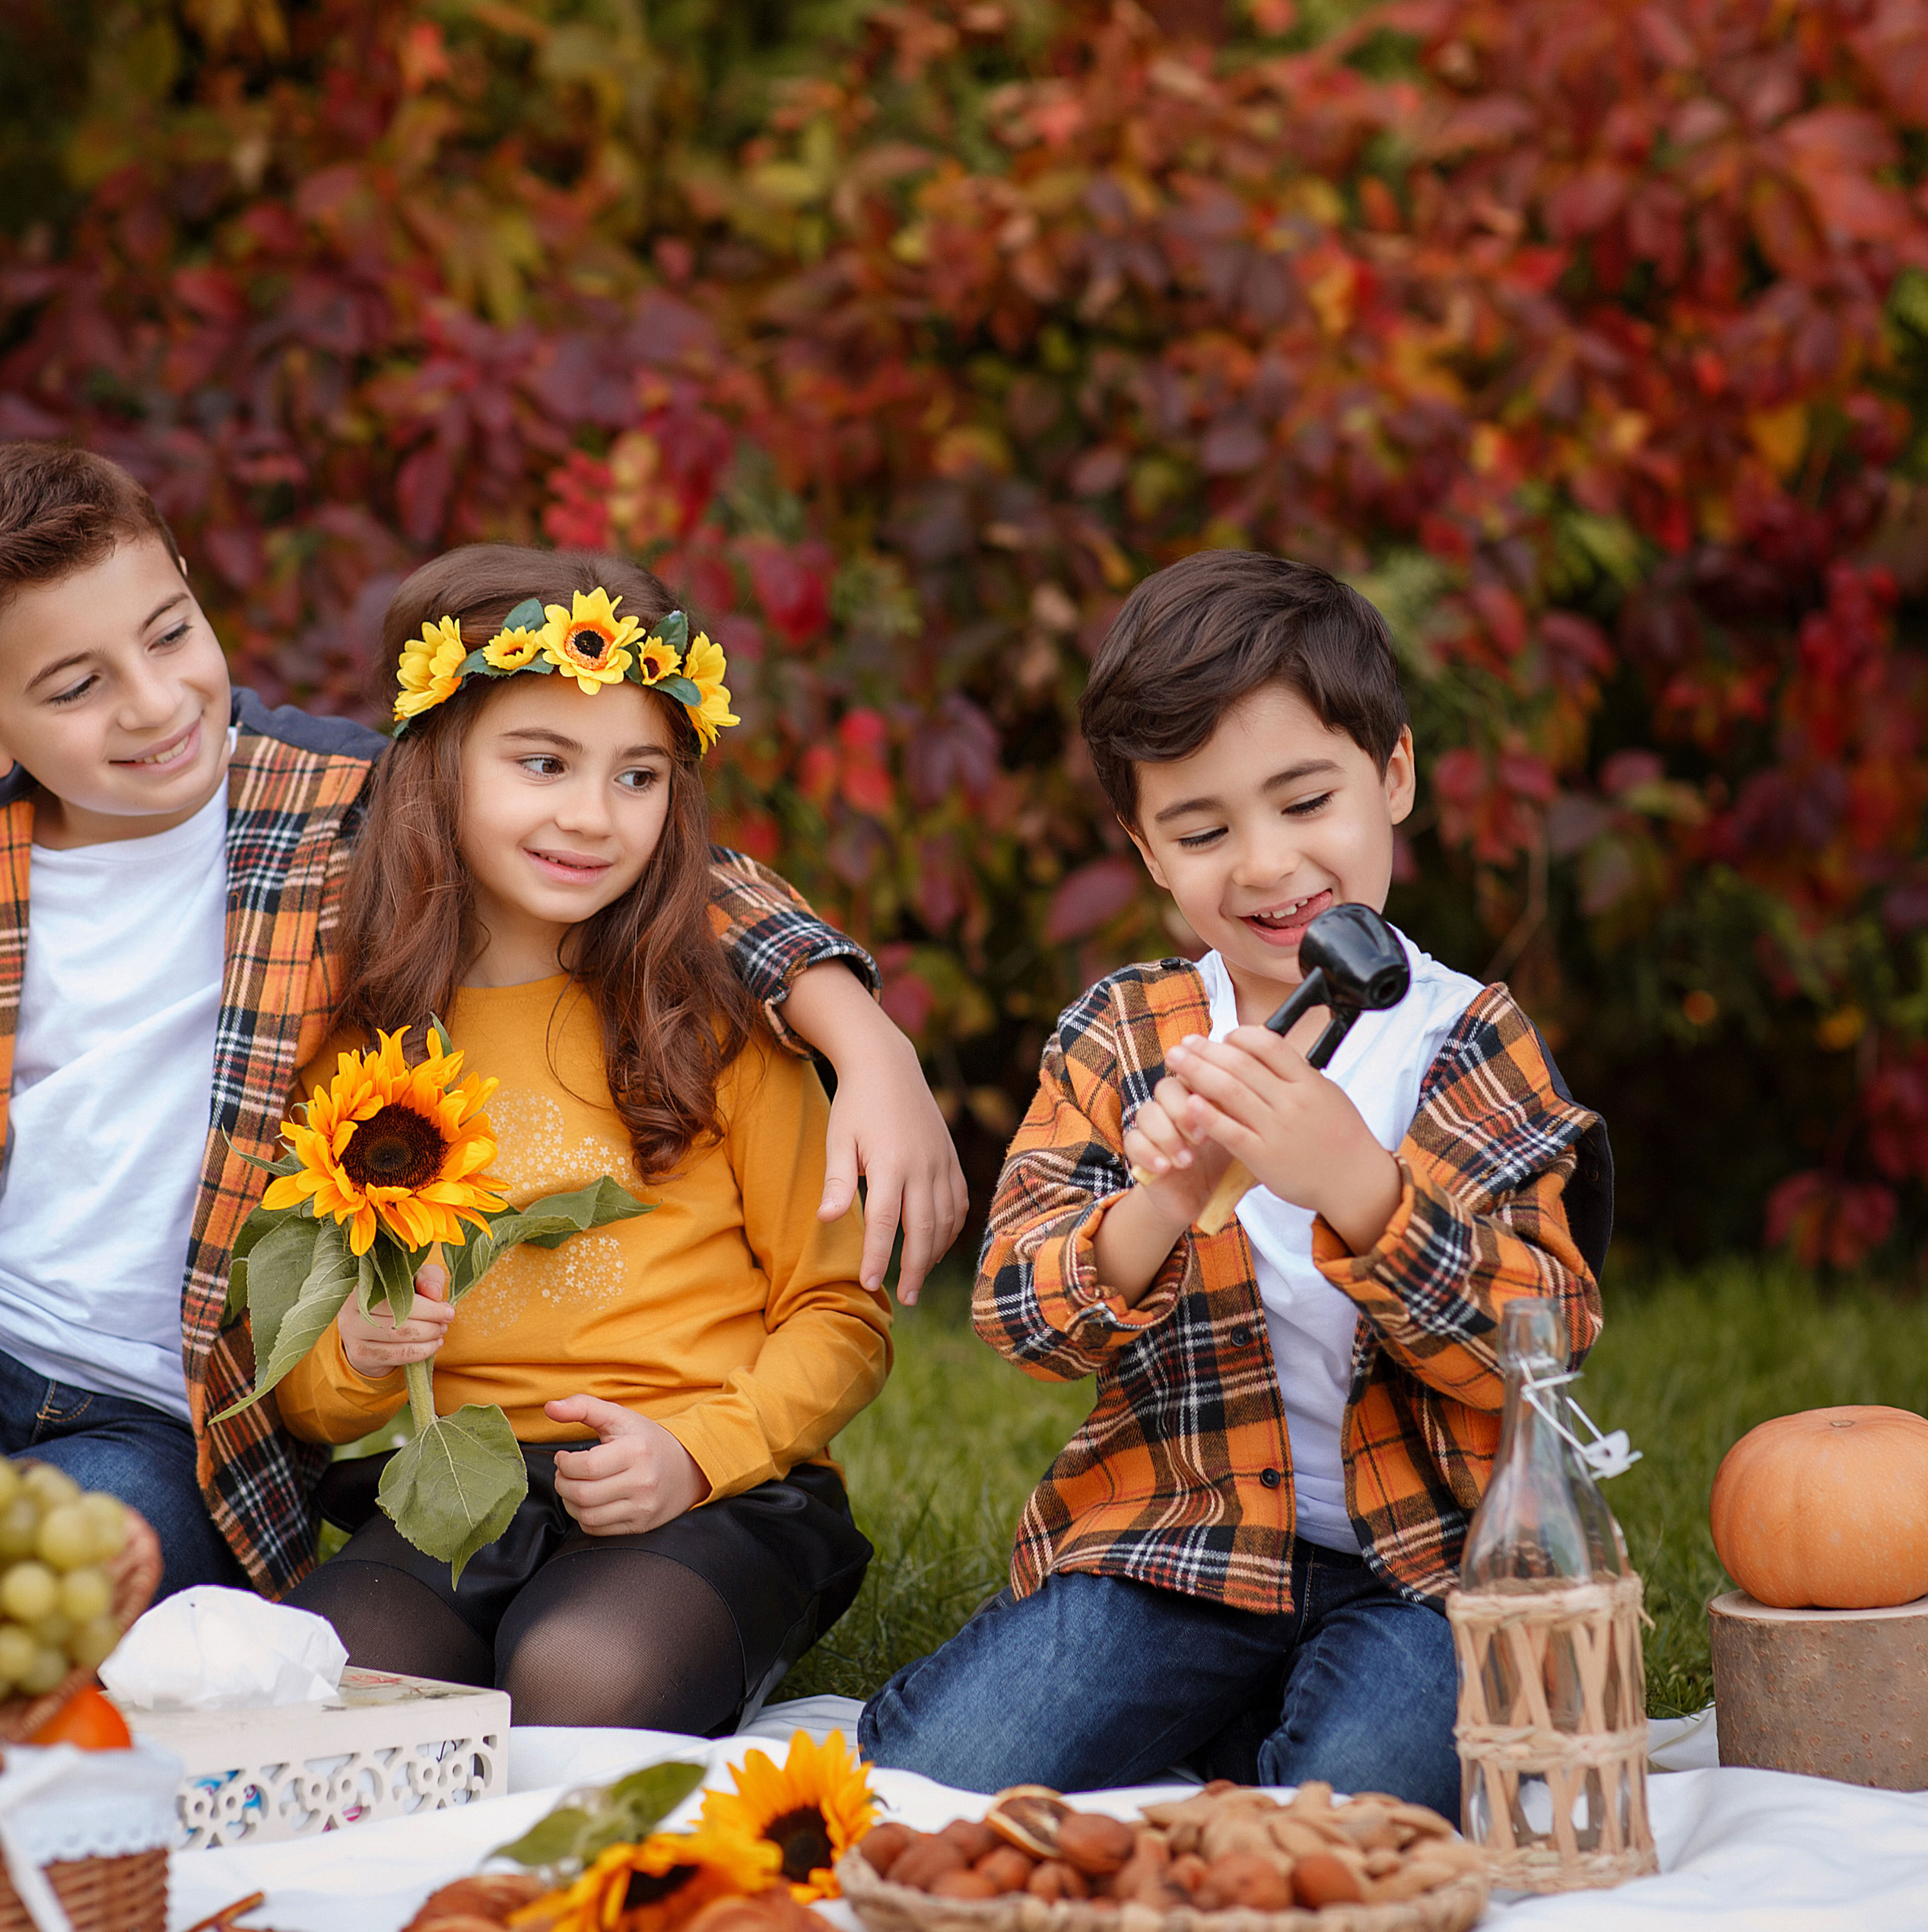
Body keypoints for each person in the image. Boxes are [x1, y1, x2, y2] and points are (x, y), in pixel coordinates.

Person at [0, 445, 961, 1603]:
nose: (155, 703)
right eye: (76, 687)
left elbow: (668, 871)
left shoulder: (332, 802)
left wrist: (865, 1036)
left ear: (195, 591)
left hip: (159, 1412)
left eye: (168, 635)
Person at [859, 550, 1612, 1813]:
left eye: (1305, 801)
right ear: (1148, 851)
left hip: (1424, 1570)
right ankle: (1230, 1700)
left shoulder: (1466, 1042)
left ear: (1394, 775)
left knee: (1360, 1803)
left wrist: (1361, 1190)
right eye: (1203, 831)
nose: (1265, 866)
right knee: (939, 1778)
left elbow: (1541, 1346)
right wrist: (1159, 1201)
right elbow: (1017, 1317)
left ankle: (1267, 1727)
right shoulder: (1127, 1034)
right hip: (1181, 1546)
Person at [275, 545, 894, 1730]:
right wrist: (357, 1351)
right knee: (330, 1687)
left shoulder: (717, 1019)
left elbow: (842, 1312)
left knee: (582, 1678)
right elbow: (307, 1393)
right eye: (543, 761)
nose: (590, 816)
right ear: (439, 761)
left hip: (708, 1487)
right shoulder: (352, 1046)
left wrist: (699, 1450)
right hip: (460, 1491)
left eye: (638, 775)